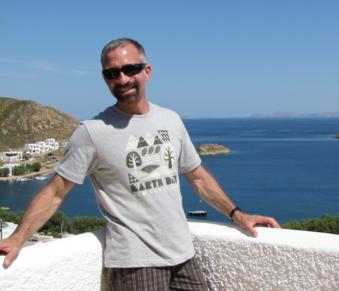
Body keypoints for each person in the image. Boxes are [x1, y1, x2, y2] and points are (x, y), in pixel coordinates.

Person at [0, 37, 280, 290]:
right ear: (105, 79)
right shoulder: (92, 132)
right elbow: (55, 192)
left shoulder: (170, 120)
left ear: (147, 71)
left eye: (129, 69)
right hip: (134, 264)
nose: (122, 79)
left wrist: (237, 214)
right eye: (112, 74)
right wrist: (18, 238)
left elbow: (197, 177)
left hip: (183, 255)